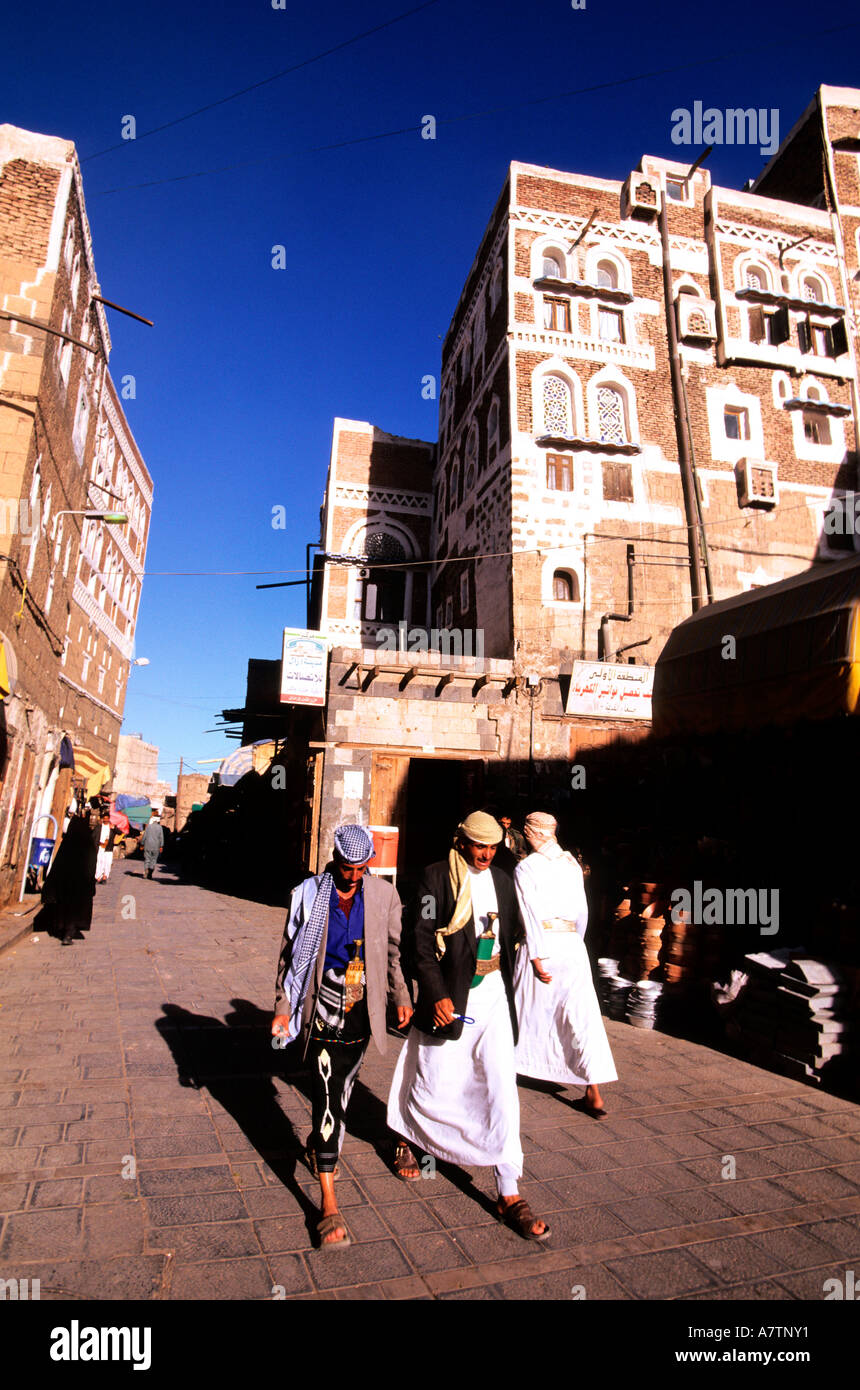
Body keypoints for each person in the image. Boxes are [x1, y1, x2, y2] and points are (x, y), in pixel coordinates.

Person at [387, 811, 550, 1242]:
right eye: (479, 845)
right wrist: (436, 992)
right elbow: (419, 939)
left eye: (493, 846)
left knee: (500, 1086)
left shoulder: (502, 880)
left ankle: (508, 1189)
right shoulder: (433, 878)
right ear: (461, 841)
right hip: (451, 996)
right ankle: (408, 1136)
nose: (486, 853)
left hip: (493, 996)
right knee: (433, 1077)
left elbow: (516, 934)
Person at [271, 824, 412, 1249]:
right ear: (335, 859)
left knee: (343, 1087)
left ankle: (320, 1144)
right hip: (319, 1007)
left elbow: (392, 954)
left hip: (360, 1010)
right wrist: (282, 1009)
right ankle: (329, 1201)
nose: (352, 876)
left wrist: (401, 996)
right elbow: (288, 957)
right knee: (328, 1091)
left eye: (360, 868)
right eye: (346, 867)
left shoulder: (384, 896)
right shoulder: (309, 895)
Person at [513, 811, 617, 1118]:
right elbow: (582, 911)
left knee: (525, 1007)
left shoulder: (527, 867)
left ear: (531, 834)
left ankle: (513, 1068)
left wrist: (536, 954)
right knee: (581, 1016)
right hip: (571, 943)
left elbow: (528, 914)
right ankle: (594, 1092)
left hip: (540, 944)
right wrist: (575, 942)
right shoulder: (572, 864)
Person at [41, 807, 99, 946]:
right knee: (75, 909)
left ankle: (61, 929)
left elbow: (58, 865)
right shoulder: (88, 844)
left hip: (65, 884)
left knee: (64, 907)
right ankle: (69, 934)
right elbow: (91, 866)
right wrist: (90, 882)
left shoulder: (67, 844)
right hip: (80, 885)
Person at [95, 810, 117, 883]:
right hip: (100, 847)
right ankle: (98, 877)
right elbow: (93, 836)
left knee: (107, 862)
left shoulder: (112, 827)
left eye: (107, 818)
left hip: (108, 848)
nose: (106, 820)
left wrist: (114, 828)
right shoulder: (98, 827)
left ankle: (105, 876)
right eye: (104, 818)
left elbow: (119, 832)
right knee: (99, 861)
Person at [142, 810, 163, 879]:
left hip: (147, 845)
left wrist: (142, 844)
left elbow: (144, 836)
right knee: (153, 860)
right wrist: (161, 846)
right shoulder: (160, 828)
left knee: (147, 859)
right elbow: (161, 838)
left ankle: (146, 871)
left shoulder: (148, 827)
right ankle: (150, 873)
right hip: (156, 846)